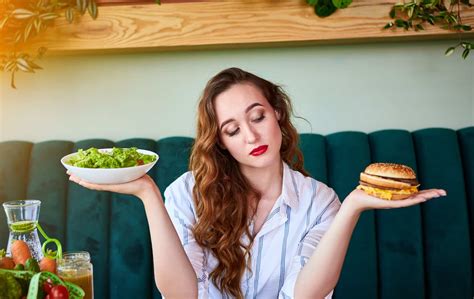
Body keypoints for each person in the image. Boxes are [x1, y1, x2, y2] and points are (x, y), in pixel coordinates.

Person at [68, 67, 446, 299]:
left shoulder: (320, 202)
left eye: (258, 116)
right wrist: (148, 195)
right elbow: (181, 295)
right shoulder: (186, 192)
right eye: (232, 130)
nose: (250, 136)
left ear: (278, 114)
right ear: (221, 142)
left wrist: (353, 207)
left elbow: (305, 296)